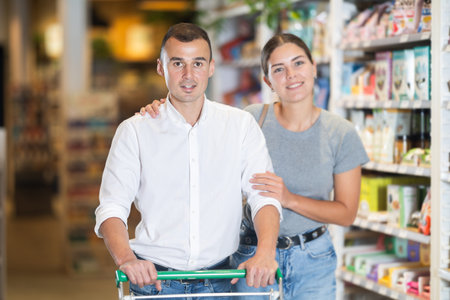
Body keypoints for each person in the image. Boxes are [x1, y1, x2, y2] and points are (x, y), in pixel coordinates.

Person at [141, 33, 369, 299]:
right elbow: (195, 133)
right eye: (279, 69)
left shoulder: (341, 133)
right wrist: (163, 111)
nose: (291, 75)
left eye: (298, 63)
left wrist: (289, 199)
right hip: (250, 255)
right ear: (267, 80)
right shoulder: (251, 120)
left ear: (314, 67)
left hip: (313, 257)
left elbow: (346, 214)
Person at [94, 23, 282, 299]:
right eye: (177, 63)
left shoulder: (240, 125)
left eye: (198, 63)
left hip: (220, 281)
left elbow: (263, 196)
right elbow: (112, 207)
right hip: (154, 283)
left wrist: (266, 253)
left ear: (211, 67)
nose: (188, 75)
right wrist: (127, 259)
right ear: (161, 67)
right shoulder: (135, 130)